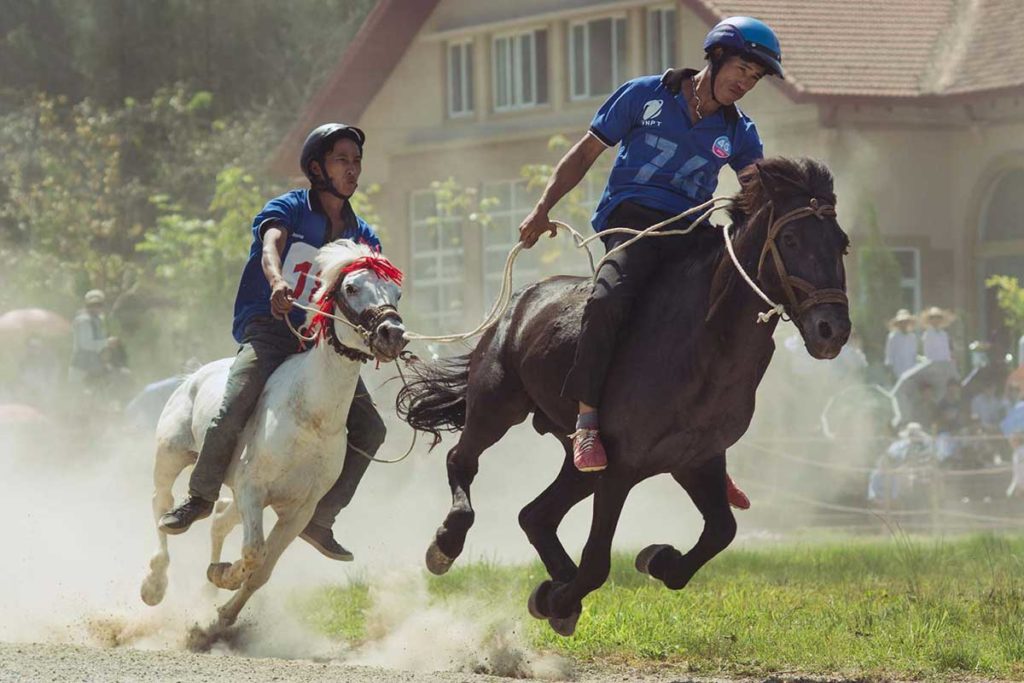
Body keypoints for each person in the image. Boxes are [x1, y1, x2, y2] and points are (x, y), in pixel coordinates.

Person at [518, 16, 784, 508]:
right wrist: (542, 209)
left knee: (736, 313)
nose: (745, 84)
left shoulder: (741, 133)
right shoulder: (644, 95)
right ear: (718, 55)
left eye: (754, 79)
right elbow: (584, 154)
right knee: (610, 298)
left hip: (690, 230)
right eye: (742, 69)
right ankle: (587, 421)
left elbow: (756, 192)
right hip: (629, 221)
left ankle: (710, 453)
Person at [159, 123, 387, 562]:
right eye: (343, 160)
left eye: (356, 161)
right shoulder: (288, 208)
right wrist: (278, 281)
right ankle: (201, 496)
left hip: (321, 346)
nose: (353, 169)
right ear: (317, 168)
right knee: (234, 399)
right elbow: (270, 245)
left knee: (372, 428)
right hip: (271, 329)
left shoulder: (362, 234)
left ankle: (321, 518)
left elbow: (372, 283)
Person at [68, 289, 111, 387]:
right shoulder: (84, 321)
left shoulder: (98, 320)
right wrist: (107, 343)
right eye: (92, 305)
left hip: (93, 368)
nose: (95, 307)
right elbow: (86, 344)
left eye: (98, 305)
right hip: (81, 368)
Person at [884, 309, 918, 381]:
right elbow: (889, 355)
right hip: (898, 372)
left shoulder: (912, 337)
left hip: (911, 372)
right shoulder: (893, 337)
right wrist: (890, 371)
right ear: (898, 323)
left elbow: (914, 355)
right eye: (901, 322)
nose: (904, 324)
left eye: (905, 322)